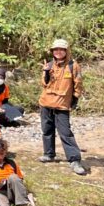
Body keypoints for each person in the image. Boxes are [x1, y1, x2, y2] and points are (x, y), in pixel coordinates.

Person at [38, 39, 86, 175]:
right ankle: (49, 154)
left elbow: (78, 83)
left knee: (66, 133)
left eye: (61, 49)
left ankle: (74, 160)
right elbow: (44, 83)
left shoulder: (73, 66)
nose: (58, 52)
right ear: (52, 52)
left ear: (66, 51)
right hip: (46, 102)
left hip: (62, 105)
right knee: (47, 130)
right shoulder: (48, 64)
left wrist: (75, 98)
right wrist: (46, 72)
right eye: (56, 49)